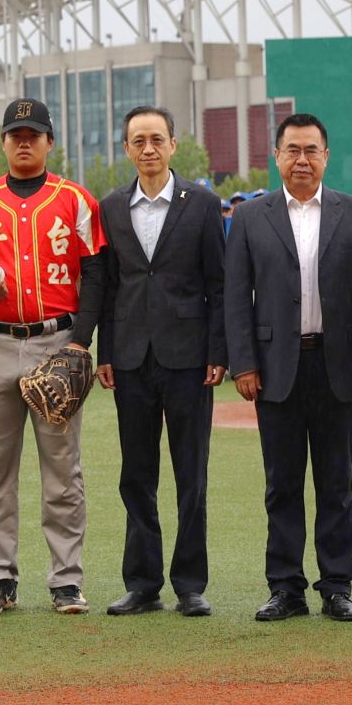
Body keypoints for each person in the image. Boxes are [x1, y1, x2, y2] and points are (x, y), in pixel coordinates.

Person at [0, 98, 105, 618]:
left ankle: (66, 581)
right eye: (16, 134)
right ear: (4, 143)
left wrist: (80, 341)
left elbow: (96, 274)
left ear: (50, 141)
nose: (24, 141)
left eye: (34, 133)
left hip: (56, 341)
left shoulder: (75, 200)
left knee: (62, 469)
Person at [224, 112, 352, 622]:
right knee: (282, 484)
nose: (302, 159)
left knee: (337, 482)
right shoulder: (250, 217)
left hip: (338, 365)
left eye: (311, 150)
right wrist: (243, 363)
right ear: (276, 156)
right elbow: (236, 296)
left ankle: (337, 585)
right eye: (292, 150)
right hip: (275, 368)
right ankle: (285, 587)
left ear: (326, 156)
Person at [95, 105, 227, 618]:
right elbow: (109, 286)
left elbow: (218, 284)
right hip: (131, 358)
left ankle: (190, 584)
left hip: (189, 358)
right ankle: (143, 583)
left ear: (173, 144)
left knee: (191, 473)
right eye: (138, 141)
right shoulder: (110, 206)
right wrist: (106, 352)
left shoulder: (203, 203)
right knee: (136, 474)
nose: (148, 149)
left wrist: (218, 352)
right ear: (126, 149)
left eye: (157, 139)